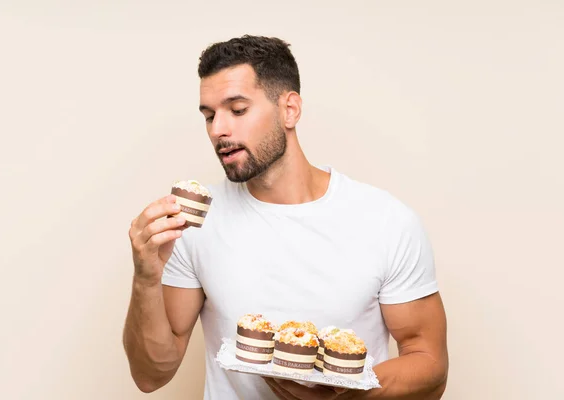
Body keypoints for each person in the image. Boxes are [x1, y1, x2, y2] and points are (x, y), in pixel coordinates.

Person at [123, 35, 448, 400]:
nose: (218, 130)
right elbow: (152, 375)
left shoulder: (385, 220)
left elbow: (430, 365)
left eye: (238, 109)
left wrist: (345, 397)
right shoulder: (195, 223)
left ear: (290, 109)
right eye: (210, 116)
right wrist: (146, 277)